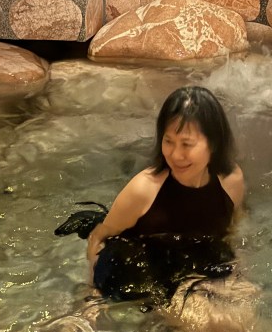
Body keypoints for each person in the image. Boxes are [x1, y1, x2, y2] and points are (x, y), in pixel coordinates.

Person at [86, 85, 244, 300]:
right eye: (168, 141)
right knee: (215, 325)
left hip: (197, 266)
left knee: (250, 303)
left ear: (213, 144)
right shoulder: (143, 189)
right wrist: (94, 297)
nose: (176, 154)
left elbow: (231, 228)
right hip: (145, 273)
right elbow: (100, 237)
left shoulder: (231, 181)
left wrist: (238, 271)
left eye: (187, 144)